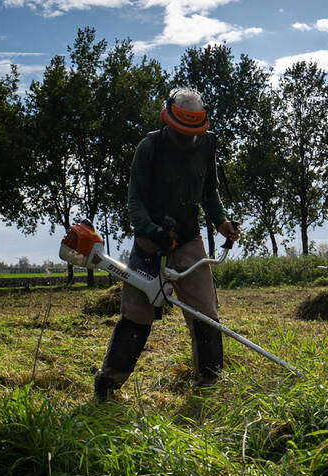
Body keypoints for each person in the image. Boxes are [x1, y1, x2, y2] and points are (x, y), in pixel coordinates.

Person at [94, 87, 241, 402]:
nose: (187, 141)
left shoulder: (207, 146)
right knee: (137, 313)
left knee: (205, 311)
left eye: (193, 134)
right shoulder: (150, 147)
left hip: (188, 237)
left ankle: (210, 386)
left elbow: (209, 192)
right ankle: (108, 385)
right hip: (151, 241)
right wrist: (150, 229)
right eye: (181, 133)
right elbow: (134, 199)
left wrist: (222, 222)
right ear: (168, 121)